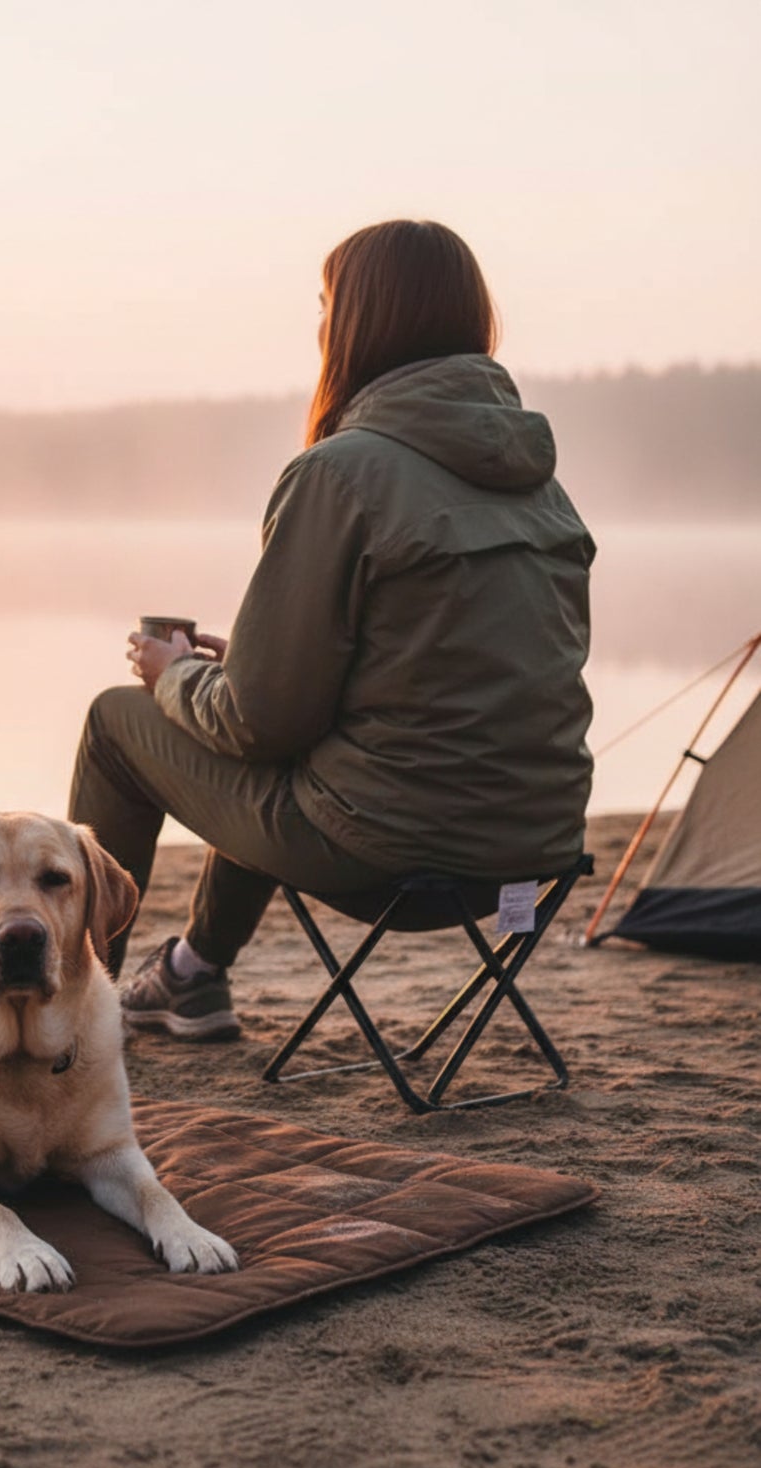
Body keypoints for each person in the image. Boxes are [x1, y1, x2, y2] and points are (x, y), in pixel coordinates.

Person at [67, 219, 595, 1041]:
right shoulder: (541, 486)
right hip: (535, 846)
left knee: (114, 721)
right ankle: (193, 976)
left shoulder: (342, 473)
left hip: (388, 852)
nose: (318, 324)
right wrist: (242, 668)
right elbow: (437, 675)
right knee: (270, 739)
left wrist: (172, 674)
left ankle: (70, 1017)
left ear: (360, 320)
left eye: (325, 304)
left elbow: (260, 722)